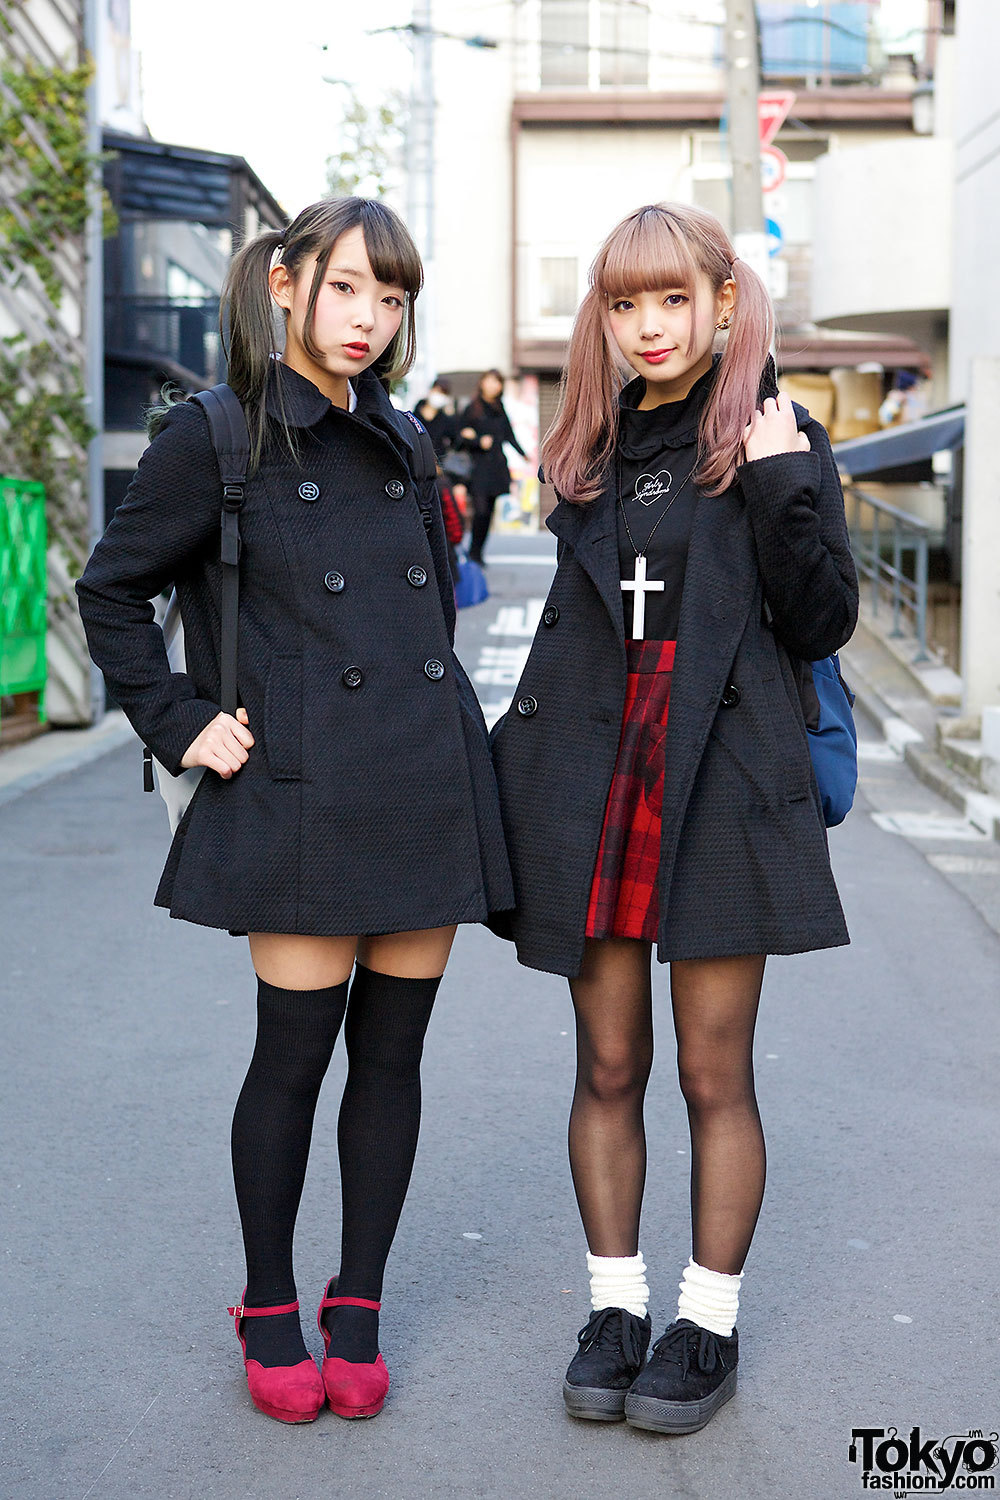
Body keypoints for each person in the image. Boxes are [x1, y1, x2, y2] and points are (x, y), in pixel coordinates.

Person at [75, 197, 513, 1427]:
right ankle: (269, 1301)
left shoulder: (411, 442)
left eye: (390, 296)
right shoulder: (214, 435)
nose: (369, 319)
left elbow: (425, 623)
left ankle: (358, 1299)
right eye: (345, 289)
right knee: (292, 1057)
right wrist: (179, 721)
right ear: (285, 283)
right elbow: (110, 593)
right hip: (302, 790)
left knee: (393, 1059)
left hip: (420, 780)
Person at [488, 203, 858, 1435]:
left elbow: (819, 623)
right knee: (606, 1061)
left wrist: (780, 484)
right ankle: (614, 1308)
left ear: (719, 302)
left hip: (720, 768)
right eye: (625, 303)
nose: (650, 326)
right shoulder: (586, 450)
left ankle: (706, 1323)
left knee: (711, 1070)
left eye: (672, 300)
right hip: (599, 771)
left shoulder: (769, 431)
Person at [457, 369, 526, 563]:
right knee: (480, 511)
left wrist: (524, 454)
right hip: (477, 469)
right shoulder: (472, 408)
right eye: (490, 381)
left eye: (497, 382)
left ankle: (478, 553)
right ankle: (472, 551)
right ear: (482, 383)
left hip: (495, 468)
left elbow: (509, 435)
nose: (493, 385)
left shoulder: (499, 408)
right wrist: (478, 441)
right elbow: (459, 437)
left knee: (489, 514)